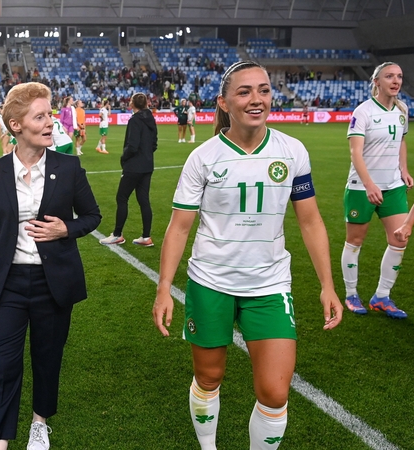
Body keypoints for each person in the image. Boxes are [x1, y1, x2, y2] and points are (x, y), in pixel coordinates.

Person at [152, 61, 342, 450]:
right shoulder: (202, 158)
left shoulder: (293, 151)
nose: (257, 99)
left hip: (270, 284)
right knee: (209, 377)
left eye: (264, 90)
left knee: (274, 392)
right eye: (244, 92)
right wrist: (164, 288)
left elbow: (310, 222)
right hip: (211, 282)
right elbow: (179, 227)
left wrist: (328, 285)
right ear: (224, 102)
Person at [0, 82, 101, 450]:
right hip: (7, 283)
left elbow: (92, 215)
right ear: (16, 125)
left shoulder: (69, 167)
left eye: (50, 114)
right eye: (40, 117)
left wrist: (66, 228)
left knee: (47, 358)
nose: (50, 122)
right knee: (3, 364)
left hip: (53, 283)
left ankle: (39, 422)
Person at [341, 61, 413, 319]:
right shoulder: (363, 112)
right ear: (377, 82)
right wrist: (369, 184)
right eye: (390, 76)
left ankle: (381, 296)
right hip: (362, 187)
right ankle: (351, 294)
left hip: (393, 186)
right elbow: (355, 152)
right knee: (355, 241)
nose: (396, 81)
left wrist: (403, 169)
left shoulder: (402, 109)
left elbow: (401, 141)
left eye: (399, 76)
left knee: (399, 239)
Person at [99, 93, 158, 247]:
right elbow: (154, 144)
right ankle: (146, 237)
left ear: (132, 104)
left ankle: (117, 235)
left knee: (122, 198)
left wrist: (124, 158)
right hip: (147, 165)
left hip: (134, 166)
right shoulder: (151, 118)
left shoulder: (135, 120)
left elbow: (132, 145)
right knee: (143, 199)